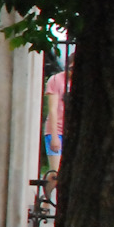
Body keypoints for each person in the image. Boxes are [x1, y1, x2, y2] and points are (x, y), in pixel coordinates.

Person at [43, 46, 73, 197]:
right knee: (56, 173)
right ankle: (48, 199)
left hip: (72, 130)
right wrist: (54, 136)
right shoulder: (56, 80)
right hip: (56, 129)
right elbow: (53, 110)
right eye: (70, 67)